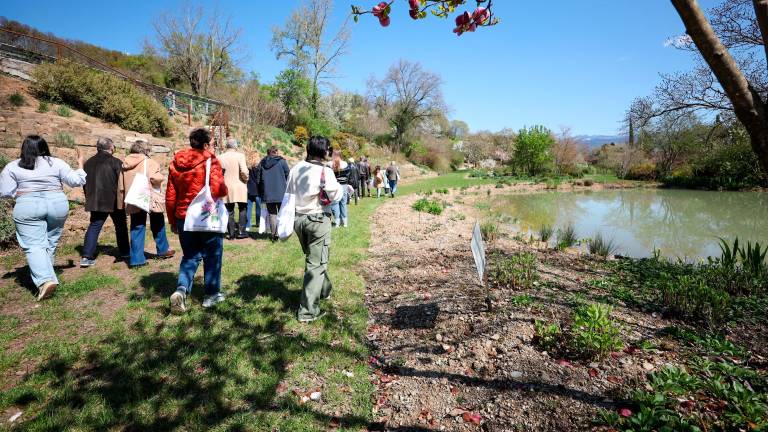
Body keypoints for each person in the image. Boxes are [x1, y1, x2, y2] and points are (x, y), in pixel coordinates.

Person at [0, 135, 86, 300]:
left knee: (34, 245)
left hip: (28, 204)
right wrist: (80, 163)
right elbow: (76, 181)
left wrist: (22, 193)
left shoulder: (13, 166)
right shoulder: (56, 162)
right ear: (44, 147)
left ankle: (45, 280)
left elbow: (4, 192)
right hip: (57, 203)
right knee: (51, 240)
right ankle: (49, 274)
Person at [166, 128, 228, 313]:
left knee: (190, 257)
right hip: (206, 218)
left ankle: (181, 290)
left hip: (183, 218)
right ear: (206, 144)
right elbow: (220, 190)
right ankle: (211, 295)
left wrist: (172, 220)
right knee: (213, 255)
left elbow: (171, 195)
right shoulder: (211, 160)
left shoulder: (175, 163)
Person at [285, 136, 343, 322]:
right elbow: (336, 194)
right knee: (316, 264)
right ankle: (308, 312)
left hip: (299, 219)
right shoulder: (324, 171)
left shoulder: (295, 169)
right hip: (318, 219)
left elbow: (288, 193)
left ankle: (324, 290)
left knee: (315, 259)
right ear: (324, 152)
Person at [121, 140, 175, 268]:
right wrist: (161, 176)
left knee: (137, 226)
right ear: (145, 150)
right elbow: (155, 178)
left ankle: (136, 259)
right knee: (158, 222)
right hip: (149, 197)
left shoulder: (125, 163)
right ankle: (163, 249)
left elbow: (121, 183)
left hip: (133, 197)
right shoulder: (149, 162)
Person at [80, 137, 130, 267]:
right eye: (113, 146)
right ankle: (125, 252)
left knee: (94, 226)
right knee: (121, 226)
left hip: (95, 200)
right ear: (110, 147)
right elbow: (121, 183)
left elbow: (84, 183)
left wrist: (89, 197)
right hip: (113, 200)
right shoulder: (115, 162)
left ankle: (86, 256)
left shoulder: (88, 163)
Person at [256, 145, 290, 241]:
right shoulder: (282, 162)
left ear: (268, 152)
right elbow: (288, 174)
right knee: (281, 213)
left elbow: (258, 179)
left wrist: (261, 191)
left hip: (268, 192)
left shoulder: (262, 162)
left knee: (272, 213)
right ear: (276, 152)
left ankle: (274, 234)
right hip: (281, 191)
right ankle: (281, 233)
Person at [218, 138, 249, 240]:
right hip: (239, 185)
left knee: (229, 210)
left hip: (226, 186)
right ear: (235, 146)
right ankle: (241, 232)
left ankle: (231, 234)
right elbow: (244, 171)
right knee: (243, 208)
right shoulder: (240, 156)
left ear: (227, 146)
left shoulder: (220, 157)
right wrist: (246, 179)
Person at [328, 150, 350, 227]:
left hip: (335, 186)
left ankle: (337, 223)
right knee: (343, 203)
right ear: (340, 155)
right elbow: (348, 175)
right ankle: (345, 223)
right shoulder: (345, 163)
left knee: (335, 204)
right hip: (344, 186)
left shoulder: (329, 164)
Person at [245, 152, 262, 235]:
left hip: (249, 189)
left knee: (249, 207)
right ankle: (258, 222)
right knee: (258, 207)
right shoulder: (259, 166)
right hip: (258, 189)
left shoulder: (248, 167)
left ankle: (248, 224)